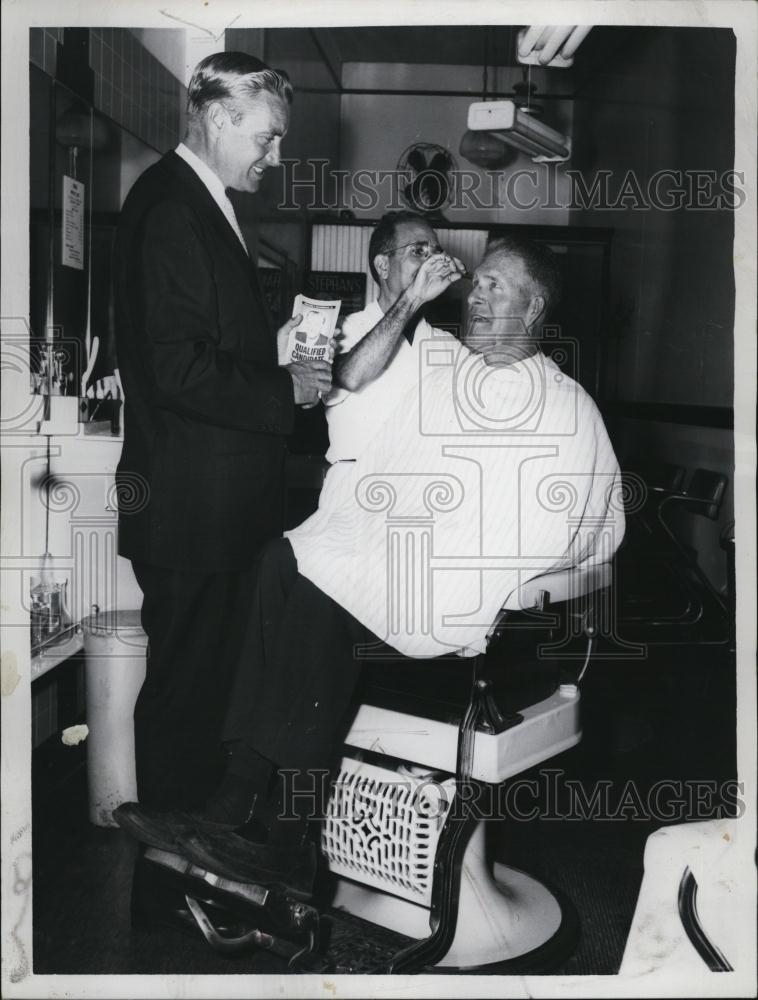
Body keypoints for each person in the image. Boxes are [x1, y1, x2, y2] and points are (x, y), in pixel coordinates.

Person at [115, 236, 625, 901]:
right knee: (284, 558)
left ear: (534, 310)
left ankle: (276, 835)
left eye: (497, 286)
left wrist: (487, 562)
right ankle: (238, 805)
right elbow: (384, 451)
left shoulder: (564, 404)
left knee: (322, 589)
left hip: (485, 613)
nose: (476, 292)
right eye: (480, 282)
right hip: (405, 568)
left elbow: (590, 522)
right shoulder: (445, 369)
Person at [113, 52, 332, 811]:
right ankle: (167, 887)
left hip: (207, 508)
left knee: (203, 699)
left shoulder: (199, 205)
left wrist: (274, 350)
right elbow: (177, 367)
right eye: (267, 139)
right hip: (192, 510)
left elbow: (196, 352)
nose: (275, 157)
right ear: (216, 118)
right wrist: (285, 386)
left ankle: (192, 873)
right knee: (185, 702)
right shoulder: (174, 207)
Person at [324, 210, 464, 474]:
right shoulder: (343, 330)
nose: (430, 263)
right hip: (356, 491)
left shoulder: (449, 346)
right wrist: (414, 297)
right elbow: (351, 377)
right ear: (383, 266)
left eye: (435, 253)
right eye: (418, 252)